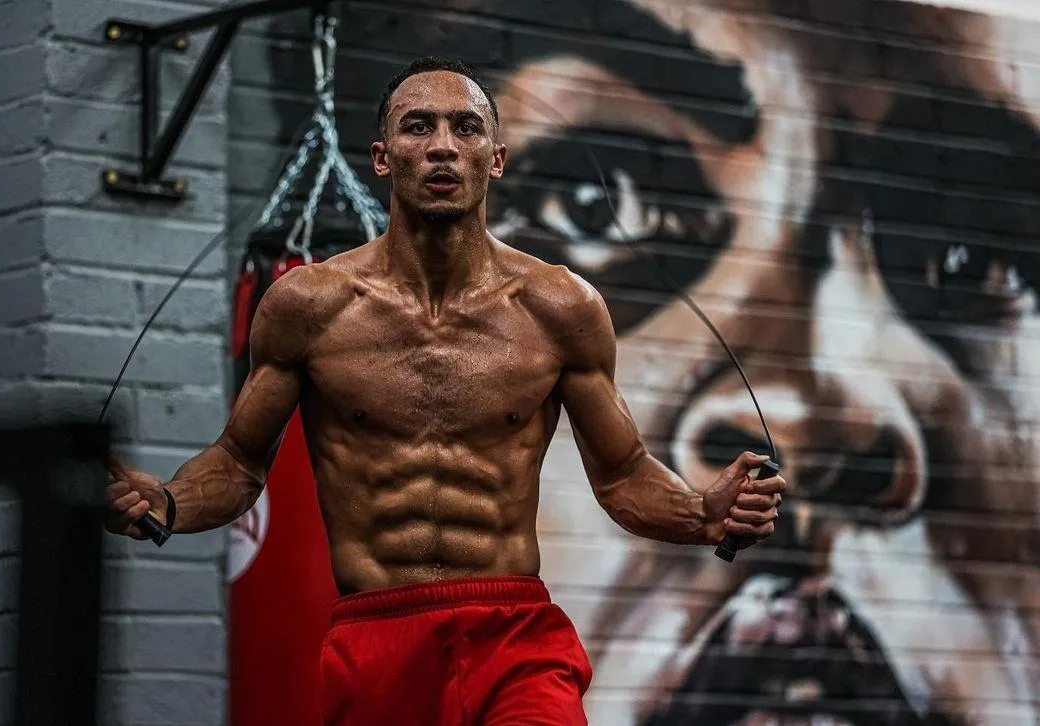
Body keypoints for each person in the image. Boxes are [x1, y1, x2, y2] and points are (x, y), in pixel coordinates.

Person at [103, 55, 787, 726]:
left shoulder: (559, 307)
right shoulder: (307, 306)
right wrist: (168, 501)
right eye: (418, 126)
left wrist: (700, 513)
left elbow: (623, 474)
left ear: (496, 159)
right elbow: (238, 464)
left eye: (465, 128)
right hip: (378, 637)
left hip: (513, 633)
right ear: (382, 157)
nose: (441, 146)